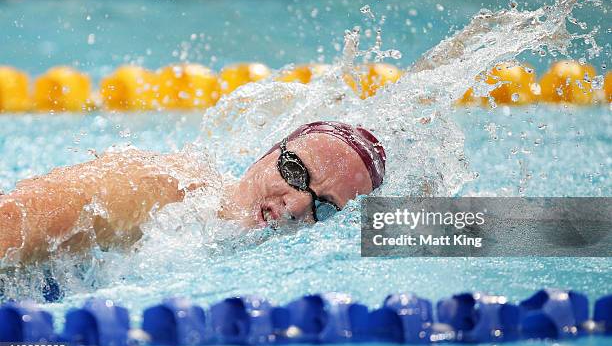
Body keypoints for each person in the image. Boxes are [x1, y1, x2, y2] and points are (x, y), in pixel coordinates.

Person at [0, 121, 386, 265]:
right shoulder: (161, 186)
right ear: (268, 155)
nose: (300, 203)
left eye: (326, 208)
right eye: (295, 171)